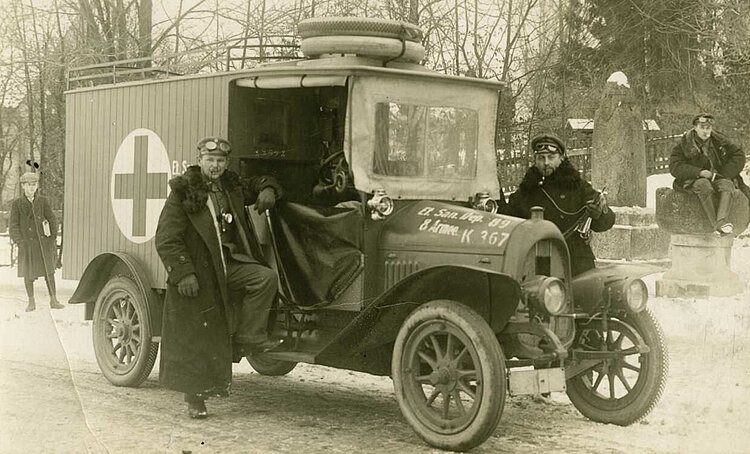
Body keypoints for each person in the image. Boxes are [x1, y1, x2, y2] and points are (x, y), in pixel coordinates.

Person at [155, 137, 284, 419]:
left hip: (230, 264)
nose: (215, 166)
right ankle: (195, 400)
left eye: (221, 161)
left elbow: (256, 184)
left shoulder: (231, 186)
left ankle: (251, 337)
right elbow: (166, 238)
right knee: (198, 337)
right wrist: (184, 273)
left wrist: (267, 189)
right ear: (200, 160)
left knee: (264, 278)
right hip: (200, 273)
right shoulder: (184, 191)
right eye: (210, 160)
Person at [501, 133, 615, 276]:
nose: (546, 163)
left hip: (575, 263)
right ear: (535, 160)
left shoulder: (576, 185)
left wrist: (599, 213)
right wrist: (496, 194)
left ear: (561, 158)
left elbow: (606, 223)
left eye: (551, 157)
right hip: (538, 263)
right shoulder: (527, 189)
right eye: (541, 158)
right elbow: (508, 217)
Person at [669, 113, 746, 235]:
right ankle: (717, 227)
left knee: (727, 185)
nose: (705, 131)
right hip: (694, 179)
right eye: (702, 127)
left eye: (708, 128)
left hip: (718, 176)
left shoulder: (720, 141)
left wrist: (724, 173)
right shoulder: (683, 144)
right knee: (703, 185)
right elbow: (675, 166)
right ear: (695, 128)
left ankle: (720, 222)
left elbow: (739, 155)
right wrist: (699, 172)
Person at [9, 172, 64, 312]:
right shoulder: (17, 204)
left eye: (34, 185)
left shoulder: (42, 201)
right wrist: (19, 241)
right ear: (23, 186)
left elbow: (52, 218)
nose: (32, 188)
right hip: (27, 245)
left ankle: (53, 299)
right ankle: (31, 301)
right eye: (29, 185)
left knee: (49, 272)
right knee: (28, 274)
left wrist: (51, 237)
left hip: (43, 244)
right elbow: (13, 225)